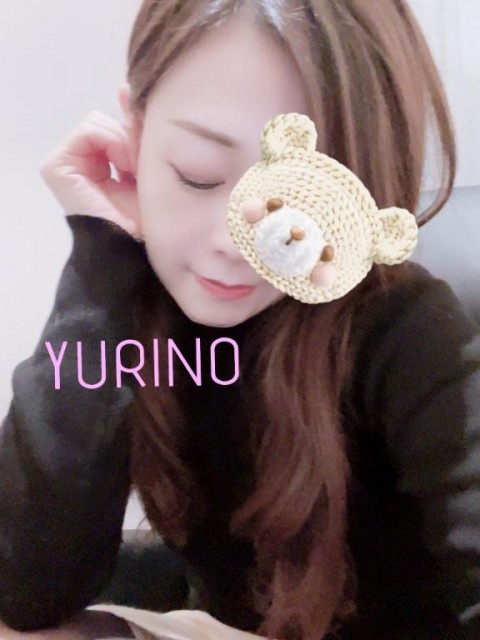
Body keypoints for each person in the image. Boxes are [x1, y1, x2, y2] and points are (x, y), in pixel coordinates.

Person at [0, 1, 479, 639]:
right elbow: (25, 588)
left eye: (297, 201)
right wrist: (99, 254)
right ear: (136, 131)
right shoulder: (135, 300)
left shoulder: (406, 329)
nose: (238, 241)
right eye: (197, 175)